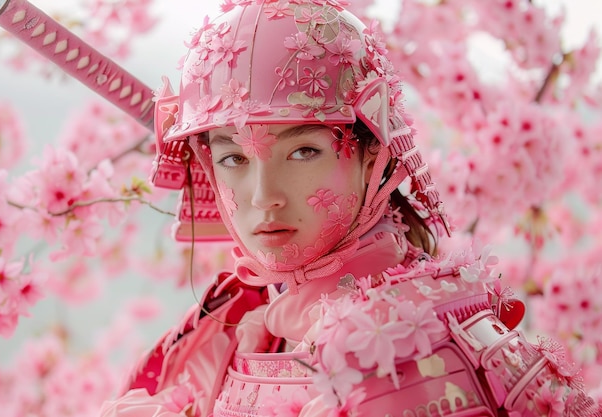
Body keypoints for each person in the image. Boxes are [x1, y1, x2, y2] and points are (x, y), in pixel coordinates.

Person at [99, 1, 600, 416]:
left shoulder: (410, 341)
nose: (262, 196)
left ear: (373, 156)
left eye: (303, 151)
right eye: (232, 158)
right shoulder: (236, 318)